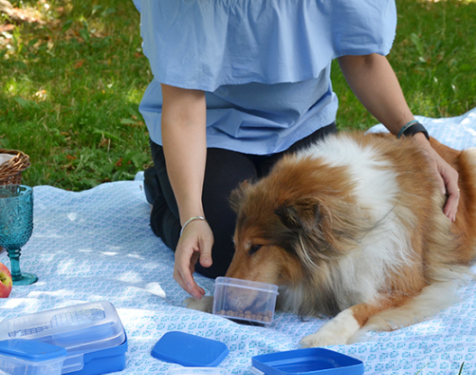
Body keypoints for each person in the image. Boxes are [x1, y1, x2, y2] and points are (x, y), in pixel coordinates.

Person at [133, 0, 460, 300]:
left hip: (302, 125)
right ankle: (165, 198)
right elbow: (184, 108)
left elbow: (362, 58)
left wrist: (413, 134)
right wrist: (191, 215)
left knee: (329, 241)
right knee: (224, 256)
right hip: (209, 133)